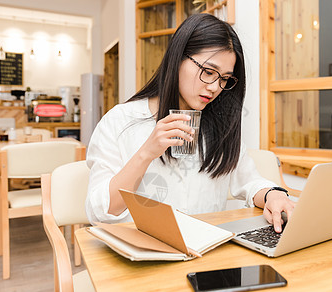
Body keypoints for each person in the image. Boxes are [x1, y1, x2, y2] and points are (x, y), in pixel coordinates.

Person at [86, 13, 294, 233]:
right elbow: (100, 212)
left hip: (207, 252)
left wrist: (274, 194)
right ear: (177, 59)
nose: (214, 87)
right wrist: (146, 153)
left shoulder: (219, 125)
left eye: (224, 79)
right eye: (208, 72)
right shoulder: (121, 121)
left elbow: (249, 182)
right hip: (144, 256)